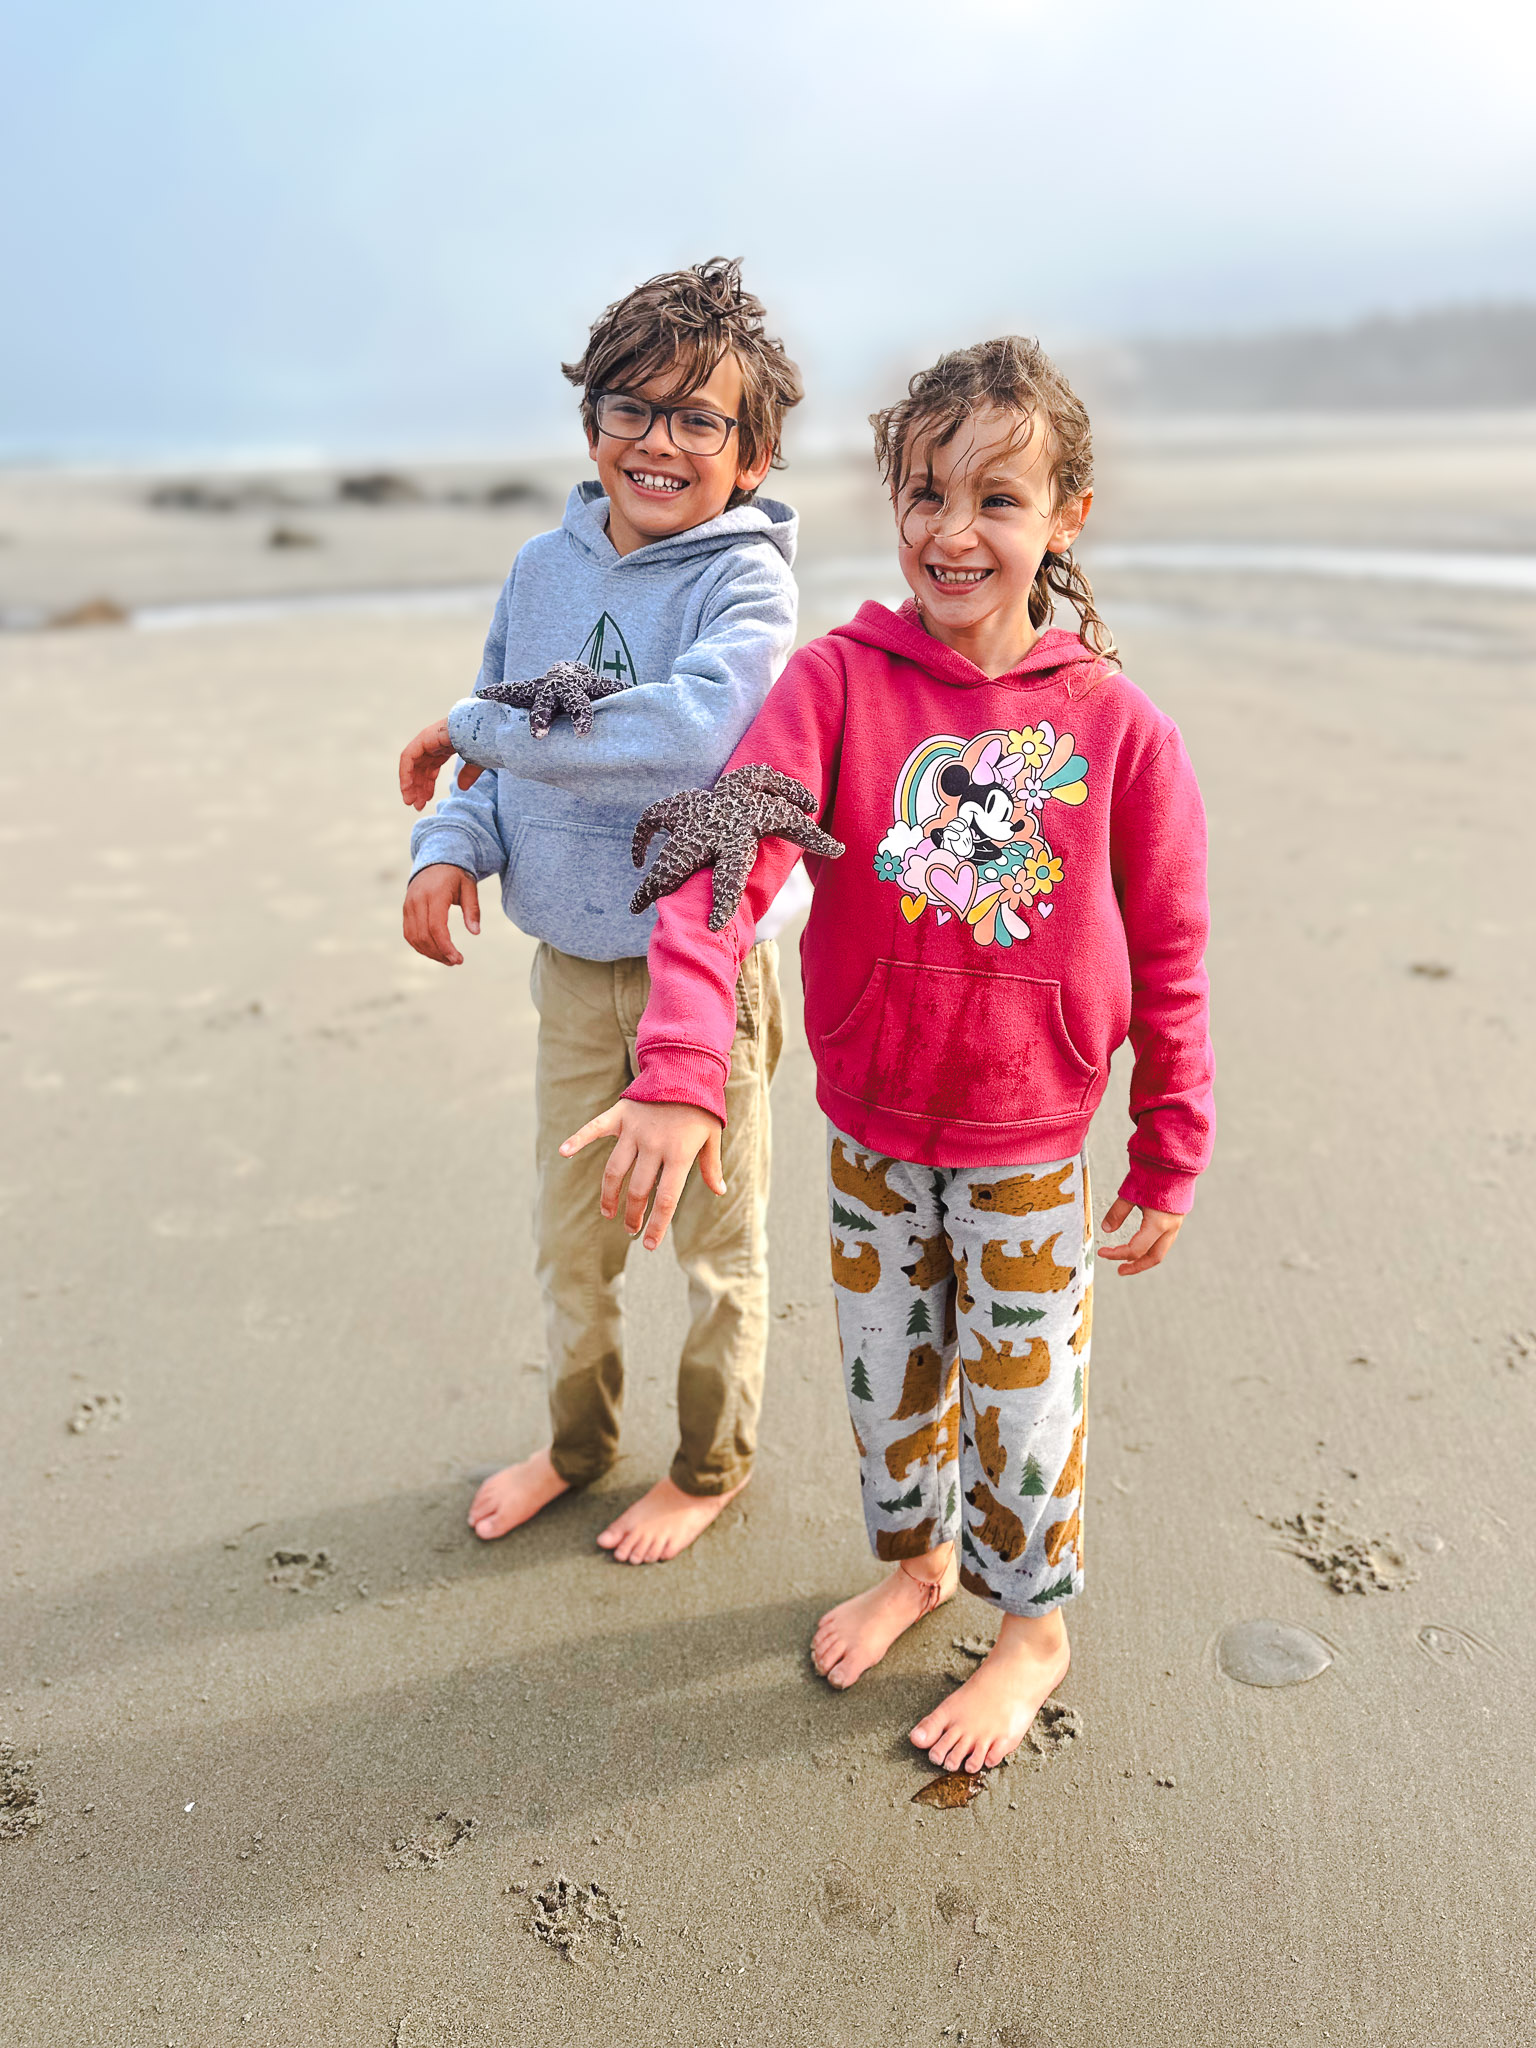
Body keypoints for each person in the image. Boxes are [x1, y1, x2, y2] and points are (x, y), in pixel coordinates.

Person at [562, 337, 1215, 1769]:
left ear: (1067, 517)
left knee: (1024, 1401)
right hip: (870, 1123)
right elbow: (723, 861)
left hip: (1029, 1137)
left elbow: (1171, 953)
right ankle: (917, 1567)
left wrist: (1169, 1146)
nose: (953, 531)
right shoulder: (837, 685)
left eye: (997, 499)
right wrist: (680, 1066)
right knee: (889, 1378)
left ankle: (1031, 1631)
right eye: (926, 494)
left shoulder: (1118, 730)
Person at [398, 259, 803, 1563]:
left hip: (708, 972)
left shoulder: (747, 586)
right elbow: (494, 742)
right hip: (574, 973)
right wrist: (450, 850)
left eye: (698, 419)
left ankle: (709, 1464)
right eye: (632, 407)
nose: (659, 441)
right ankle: (577, 1446)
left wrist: (477, 732)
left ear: (750, 455)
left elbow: (689, 735)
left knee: (715, 1251)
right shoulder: (540, 571)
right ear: (591, 426)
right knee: (570, 1246)